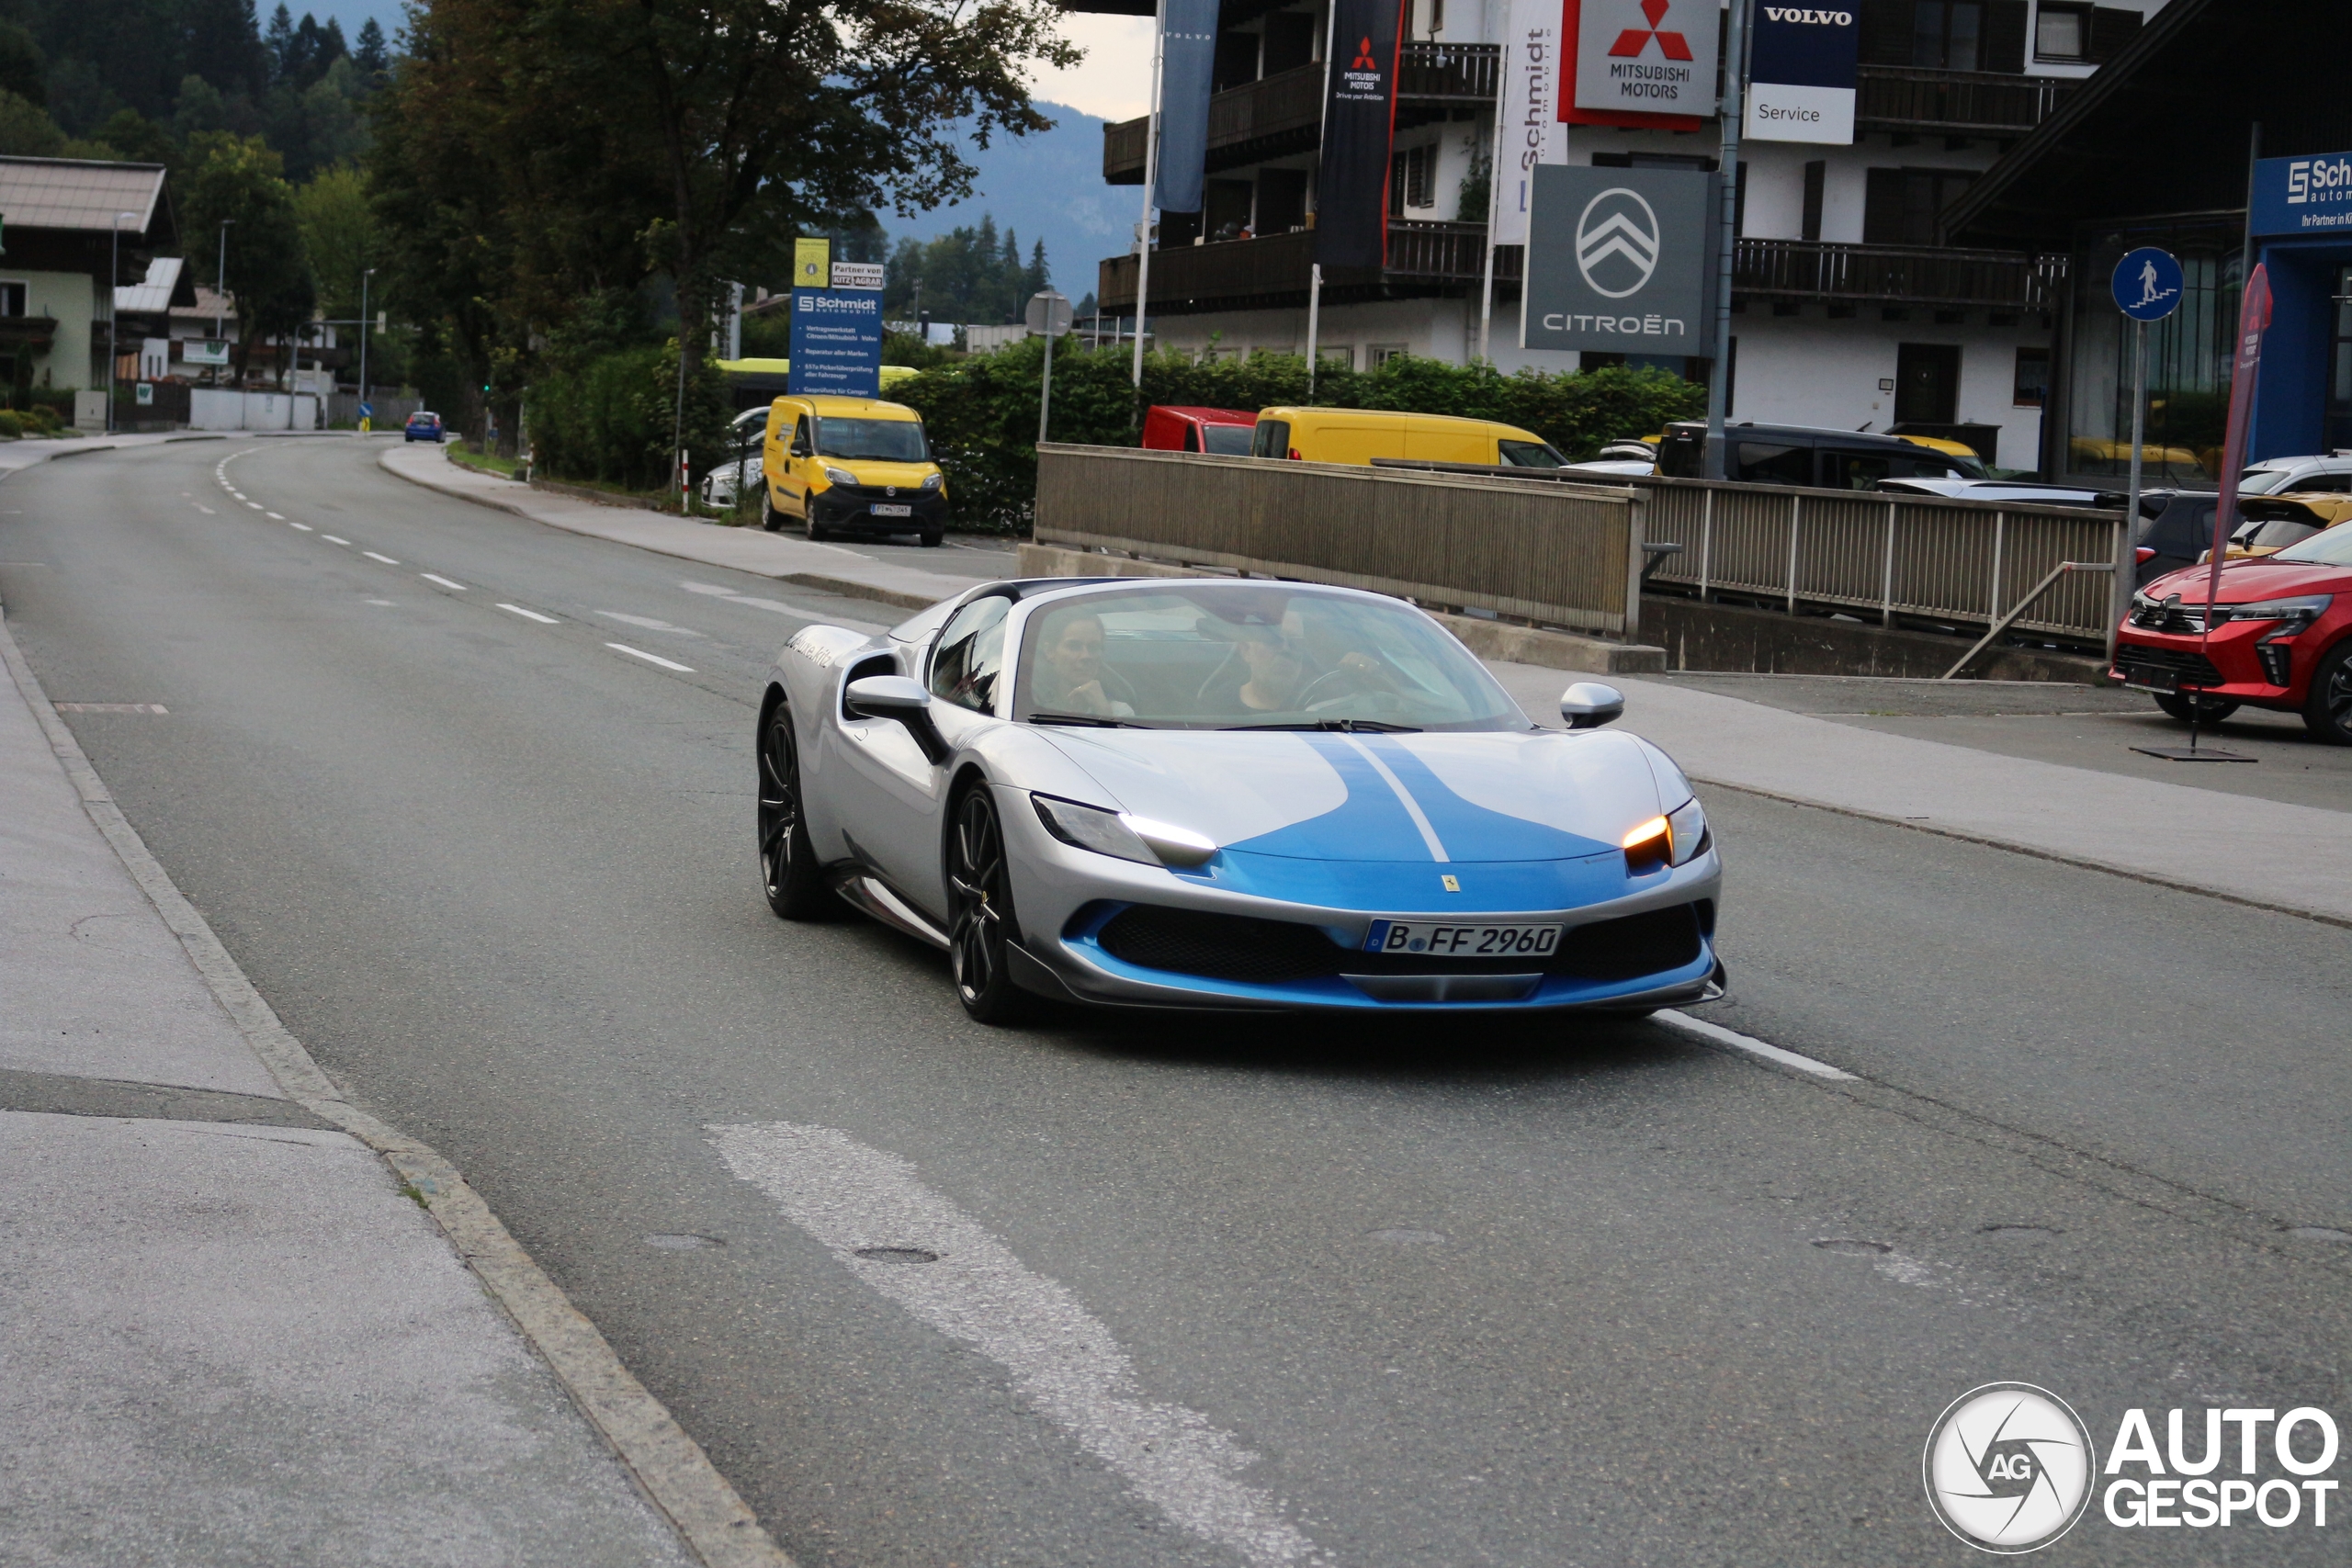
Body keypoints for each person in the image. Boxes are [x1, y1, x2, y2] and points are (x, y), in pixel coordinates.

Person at [1030, 612, 1135, 716]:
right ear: (1050, 651)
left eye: (1093, 647)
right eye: (1074, 646)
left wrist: (1104, 712)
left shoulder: (1119, 712)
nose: (1086, 656)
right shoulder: (1029, 707)